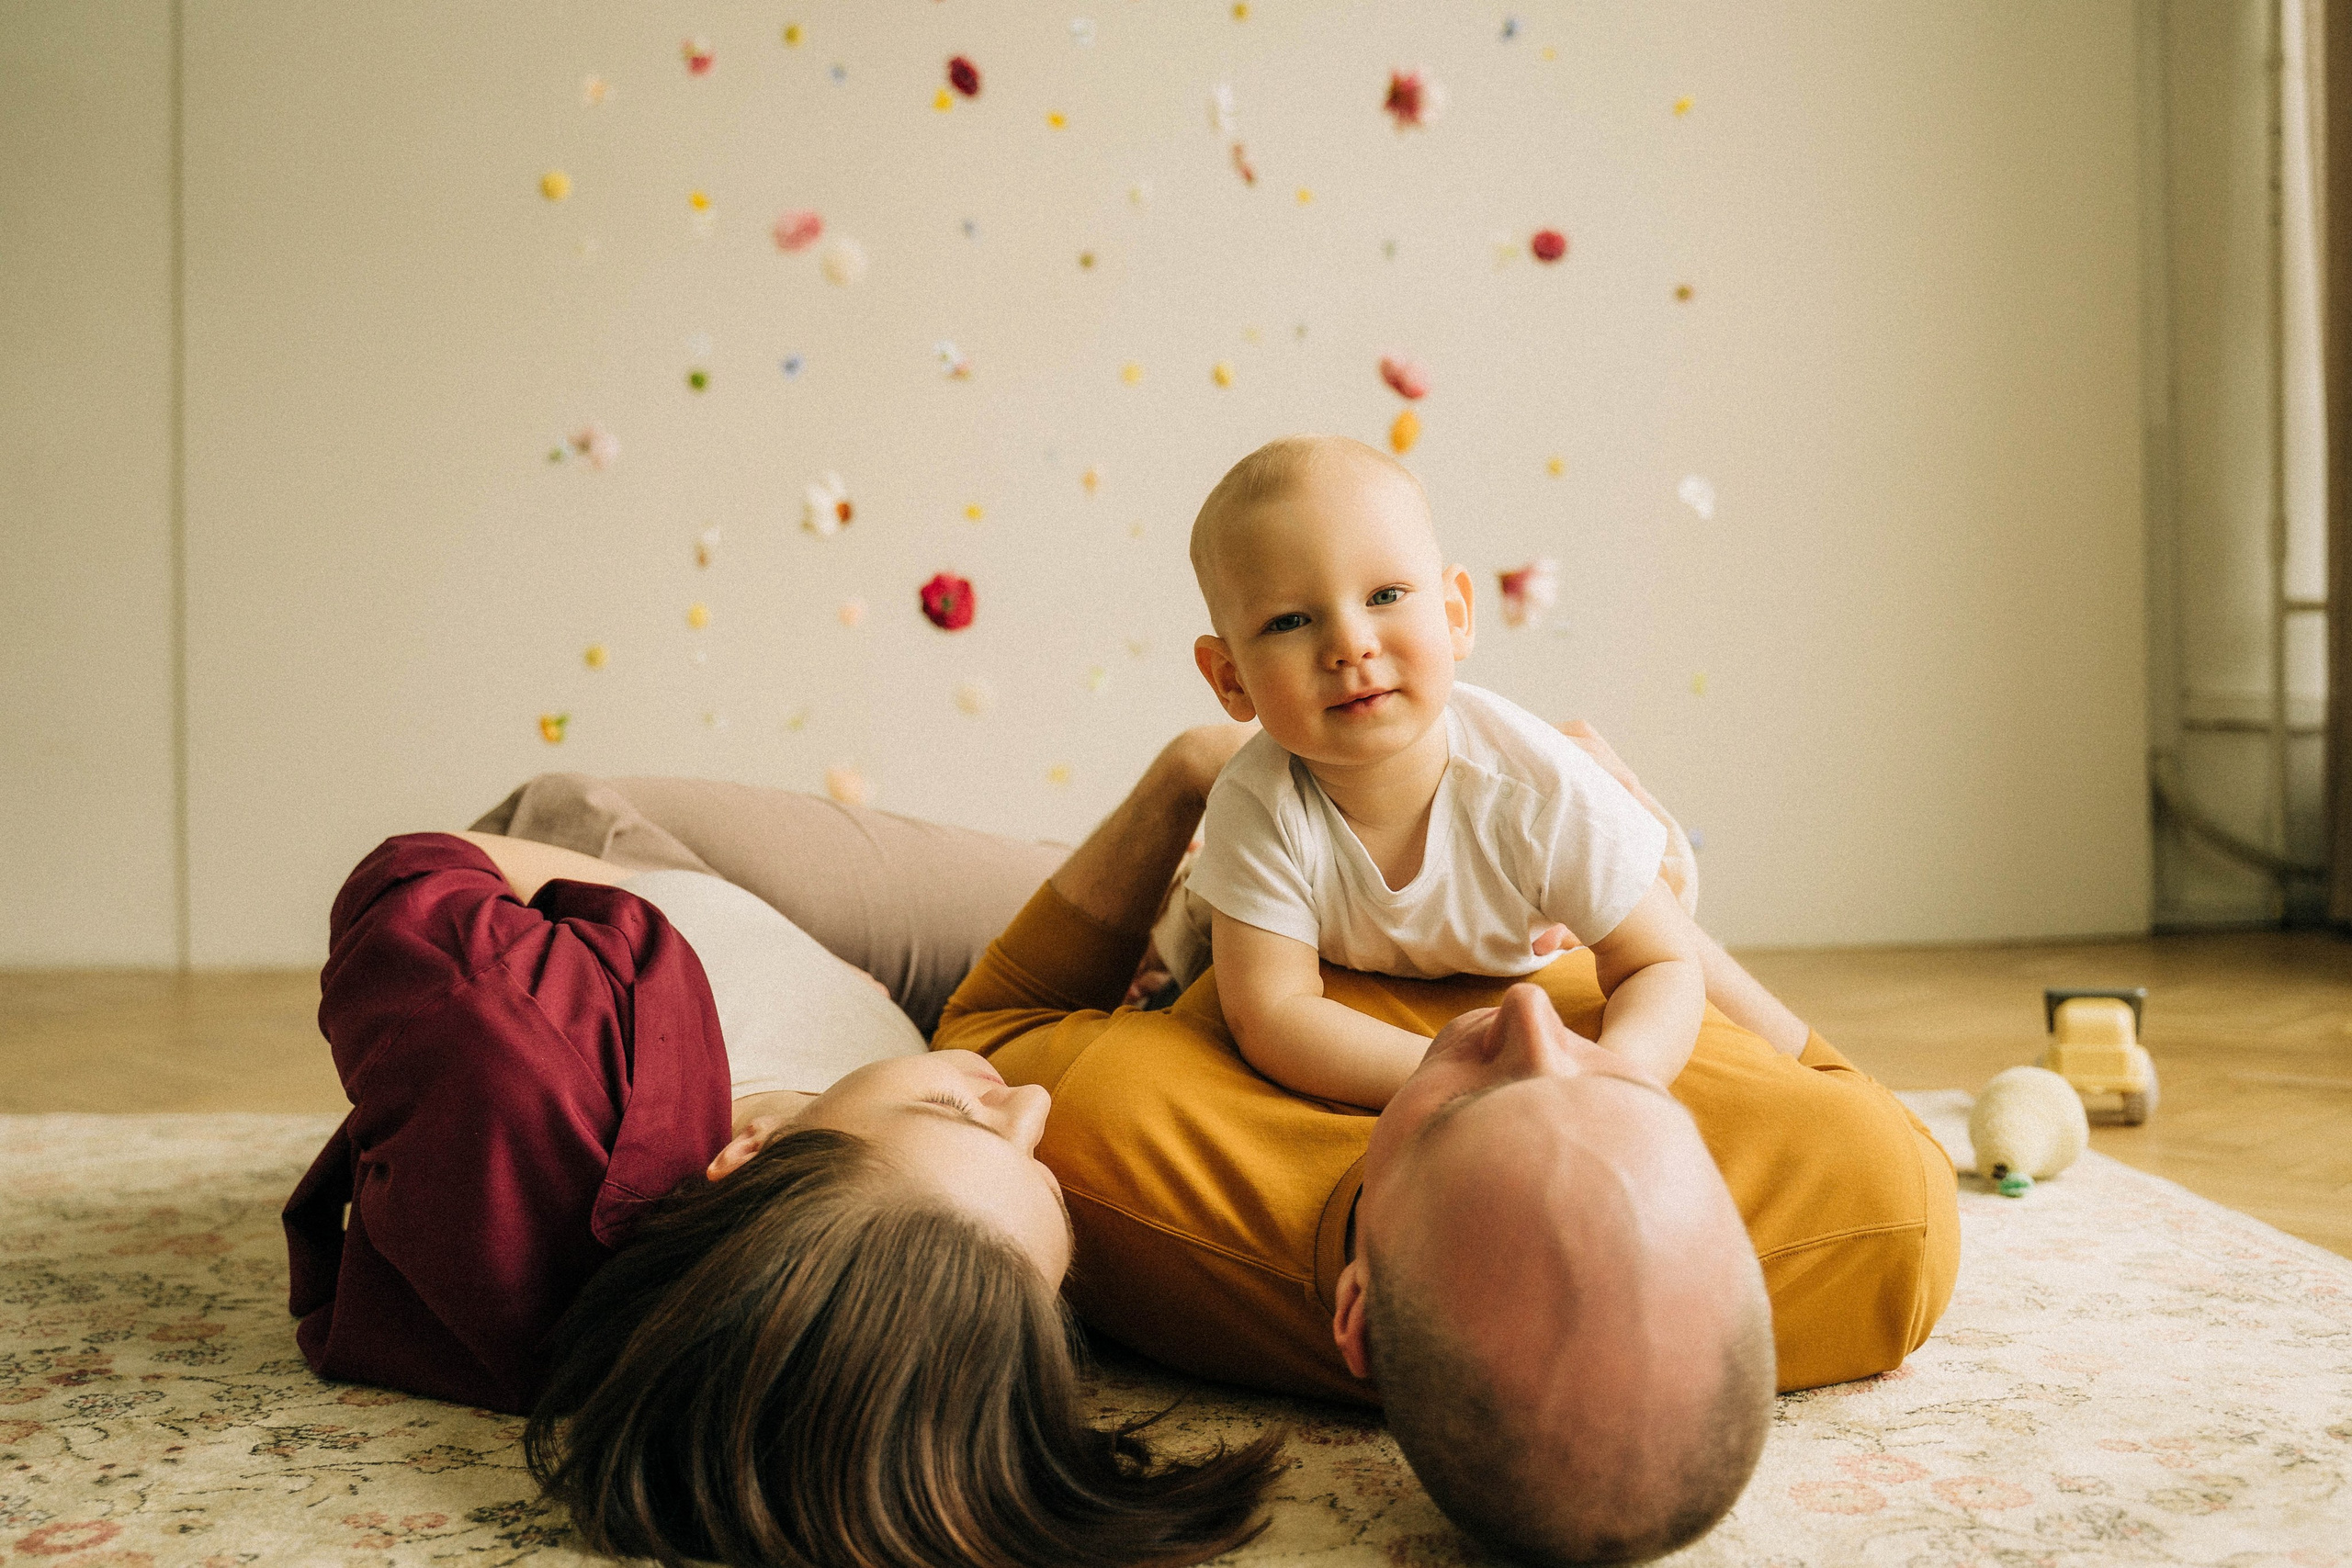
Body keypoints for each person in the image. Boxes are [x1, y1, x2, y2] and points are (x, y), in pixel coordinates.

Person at [283, 789, 1284, 1568]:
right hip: (916, 1008)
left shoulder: (525, 1059)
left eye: (956, 1116)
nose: (1030, 1107)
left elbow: (414, 871)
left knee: (1177, 830)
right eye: (1042, 1179)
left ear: (749, 1153)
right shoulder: (847, 1310)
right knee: (1244, 872)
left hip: (636, 857)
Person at [1184, 434, 1713, 1110]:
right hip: (1331, 927)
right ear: (1230, 679)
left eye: (1385, 594)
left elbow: (1661, 961)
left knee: (1668, 913)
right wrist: (1467, 1074)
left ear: (1455, 615)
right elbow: (1271, 1013)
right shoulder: (1261, 801)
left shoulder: (1538, 791)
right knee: (1189, 939)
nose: (1350, 644)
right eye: (1289, 620)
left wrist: (1612, 1080)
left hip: (1567, 893)